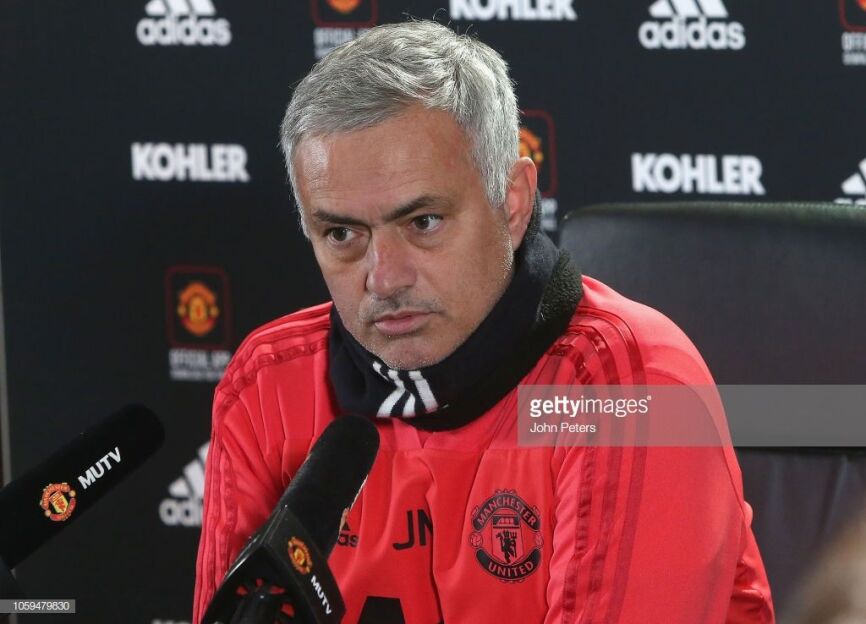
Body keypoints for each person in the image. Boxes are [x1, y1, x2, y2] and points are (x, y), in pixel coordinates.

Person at [193, 19, 774, 623]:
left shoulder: (627, 390)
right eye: (342, 234)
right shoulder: (270, 384)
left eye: (423, 223)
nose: (384, 279)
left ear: (513, 203)